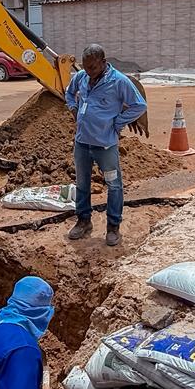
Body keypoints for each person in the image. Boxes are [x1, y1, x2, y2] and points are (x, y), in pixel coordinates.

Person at [64, 43, 147, 247]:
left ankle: (113, 226)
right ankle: (84, 221)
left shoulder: (119, 81)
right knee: (82, 184)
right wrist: (73, 107)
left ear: (103, 62)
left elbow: (139, 105)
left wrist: (117, 123)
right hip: (82, 143)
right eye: (85, 66)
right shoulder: (82, 77)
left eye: (92, 67)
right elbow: (68, 92)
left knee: (114, 185)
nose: (88, 72)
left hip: (105, 146)